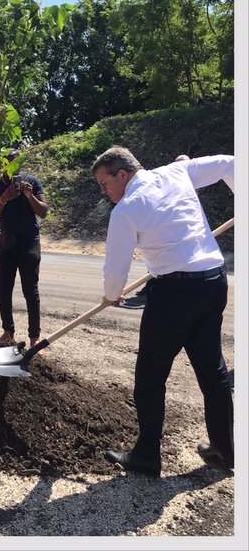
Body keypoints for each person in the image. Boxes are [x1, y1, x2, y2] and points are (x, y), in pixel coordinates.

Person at [92, 147, 233, 476]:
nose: (103, 191)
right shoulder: (175, 172)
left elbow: (116, 268)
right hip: (213, 280)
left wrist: (112, 295)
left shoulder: (126, 209)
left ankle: (146, 457)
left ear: (122, 175)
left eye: (104, 183)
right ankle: (226, 451)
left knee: (150, 376)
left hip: (175, 293)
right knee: (213, 371)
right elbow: (229, 163)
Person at [0, 170, 47, 346]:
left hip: (29, 243)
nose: (12, 167)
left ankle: (35, 338)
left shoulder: (32, 181)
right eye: (8, 162)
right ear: (2, 164)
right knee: (4, 288)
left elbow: (43, 212)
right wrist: (4, 197)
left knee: (31, 290)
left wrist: (30, 196)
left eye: (16, 162)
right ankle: (8, 333)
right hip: (7, 243)